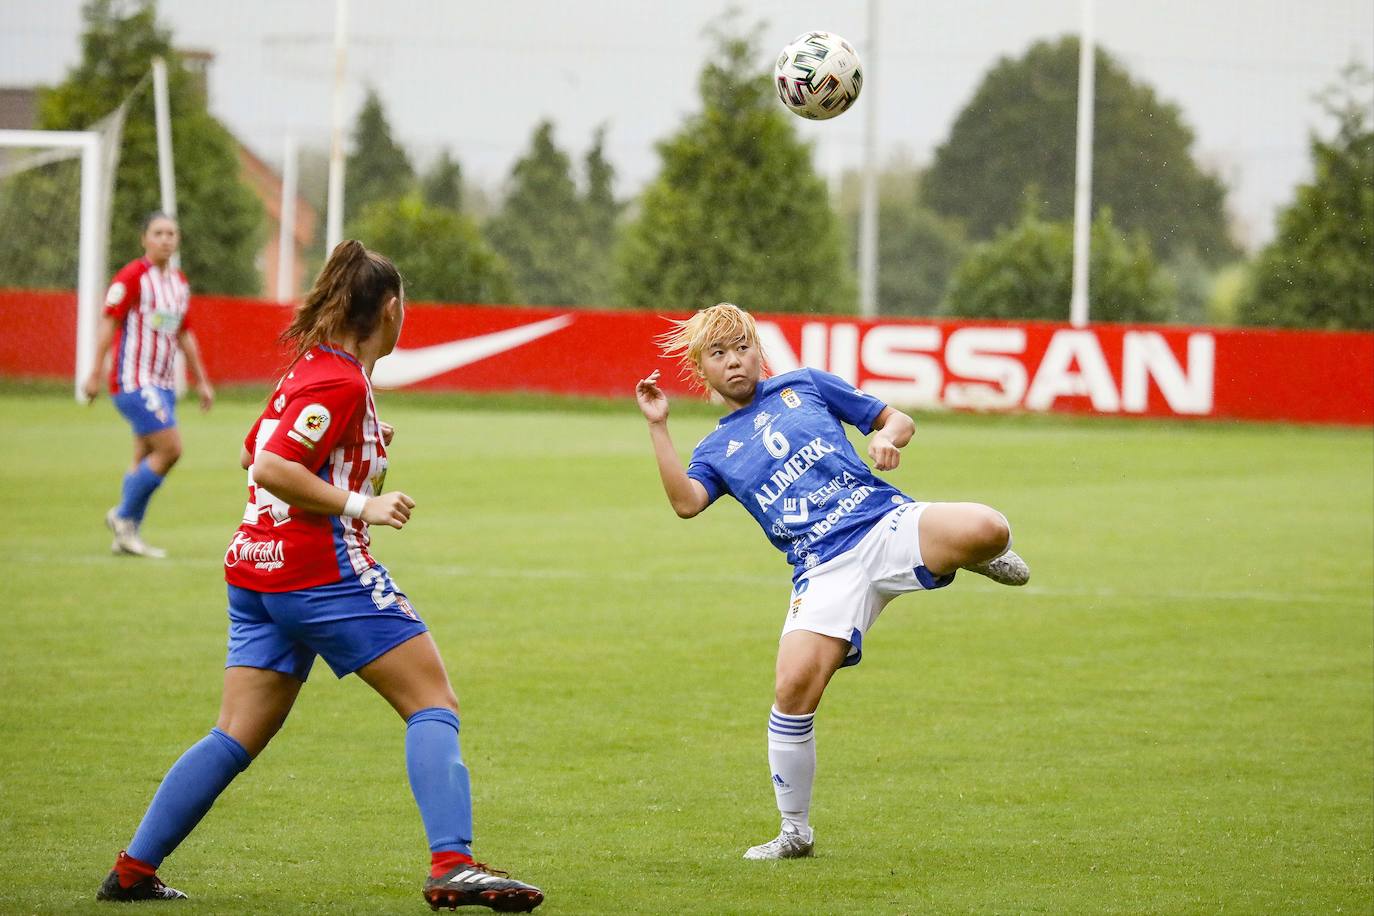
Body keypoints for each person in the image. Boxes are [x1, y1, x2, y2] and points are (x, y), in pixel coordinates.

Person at [96, 240, 544, 912]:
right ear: (390, 310)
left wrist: (358, 449)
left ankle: (132, 870)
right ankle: (452, 864)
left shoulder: (313, 370)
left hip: (255, 570)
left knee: (234, 734)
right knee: (432, 703)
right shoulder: (339, 381)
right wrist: (365, 501)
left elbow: (257, 445)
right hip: (320, 573)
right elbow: (271, 466)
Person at [633, 302, 1030, 861]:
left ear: (759, 351)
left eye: (742, 347)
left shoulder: (807, 385)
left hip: (884, 523)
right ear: (702, 369)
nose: (734, 361)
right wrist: (658, 426)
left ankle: (970, 554)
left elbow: (899, 419)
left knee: (991, 527)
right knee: (792, 692)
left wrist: (886, 438)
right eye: (718, 354)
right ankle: (795, 831)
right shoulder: (716, 450)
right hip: (822, 568)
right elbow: (685, 503)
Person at [82, 211, 214, 559]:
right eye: (158, 233)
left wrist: (201, 381)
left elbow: (185, 333)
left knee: (143, 456)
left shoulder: (179, 283)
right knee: (171, 449)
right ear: (144, 239)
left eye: (171, 233)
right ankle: (123, 516)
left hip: (164, 384)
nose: (166, 239)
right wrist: (95, 372)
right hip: (133, 381)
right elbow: (108, 325)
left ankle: (127, 535)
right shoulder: (131, 277)